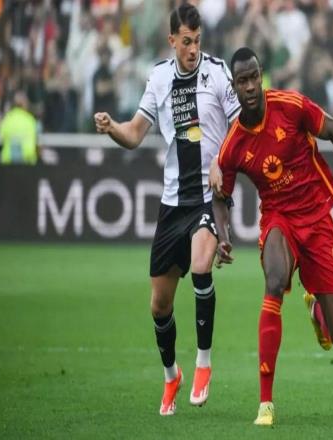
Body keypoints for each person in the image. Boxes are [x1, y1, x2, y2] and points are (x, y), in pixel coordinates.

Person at [210, 47, 333, 426]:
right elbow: (220, 197)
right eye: (242, 81)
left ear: (262, 76)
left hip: (317, 218)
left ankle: (316, 309)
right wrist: (222, 235)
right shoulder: (234, 144)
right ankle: (266, 403)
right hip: (279, 219)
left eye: (254, 77)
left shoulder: (289, 106)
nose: (250, 86)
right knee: (274, 281)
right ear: (234, 87)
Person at [94, 4, 241, 416]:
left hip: (207, 197)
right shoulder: (158, 77)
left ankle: (204, 363)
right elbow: (135, 133)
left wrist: (221, 162)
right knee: (159, 306)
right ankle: (171, 374)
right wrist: (111, 128)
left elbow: (240, 128)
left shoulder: (217, 73)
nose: (193, 49)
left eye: (198, 41)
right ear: (172, 40)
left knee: (202, 266)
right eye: (187, 42)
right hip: (172, 204)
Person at [0, 90, 38, 165]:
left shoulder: (7, 119)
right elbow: (36, 137)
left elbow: (1, 137)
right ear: (24, 104)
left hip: (8, 161)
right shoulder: (30, 120)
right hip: (27, 161)